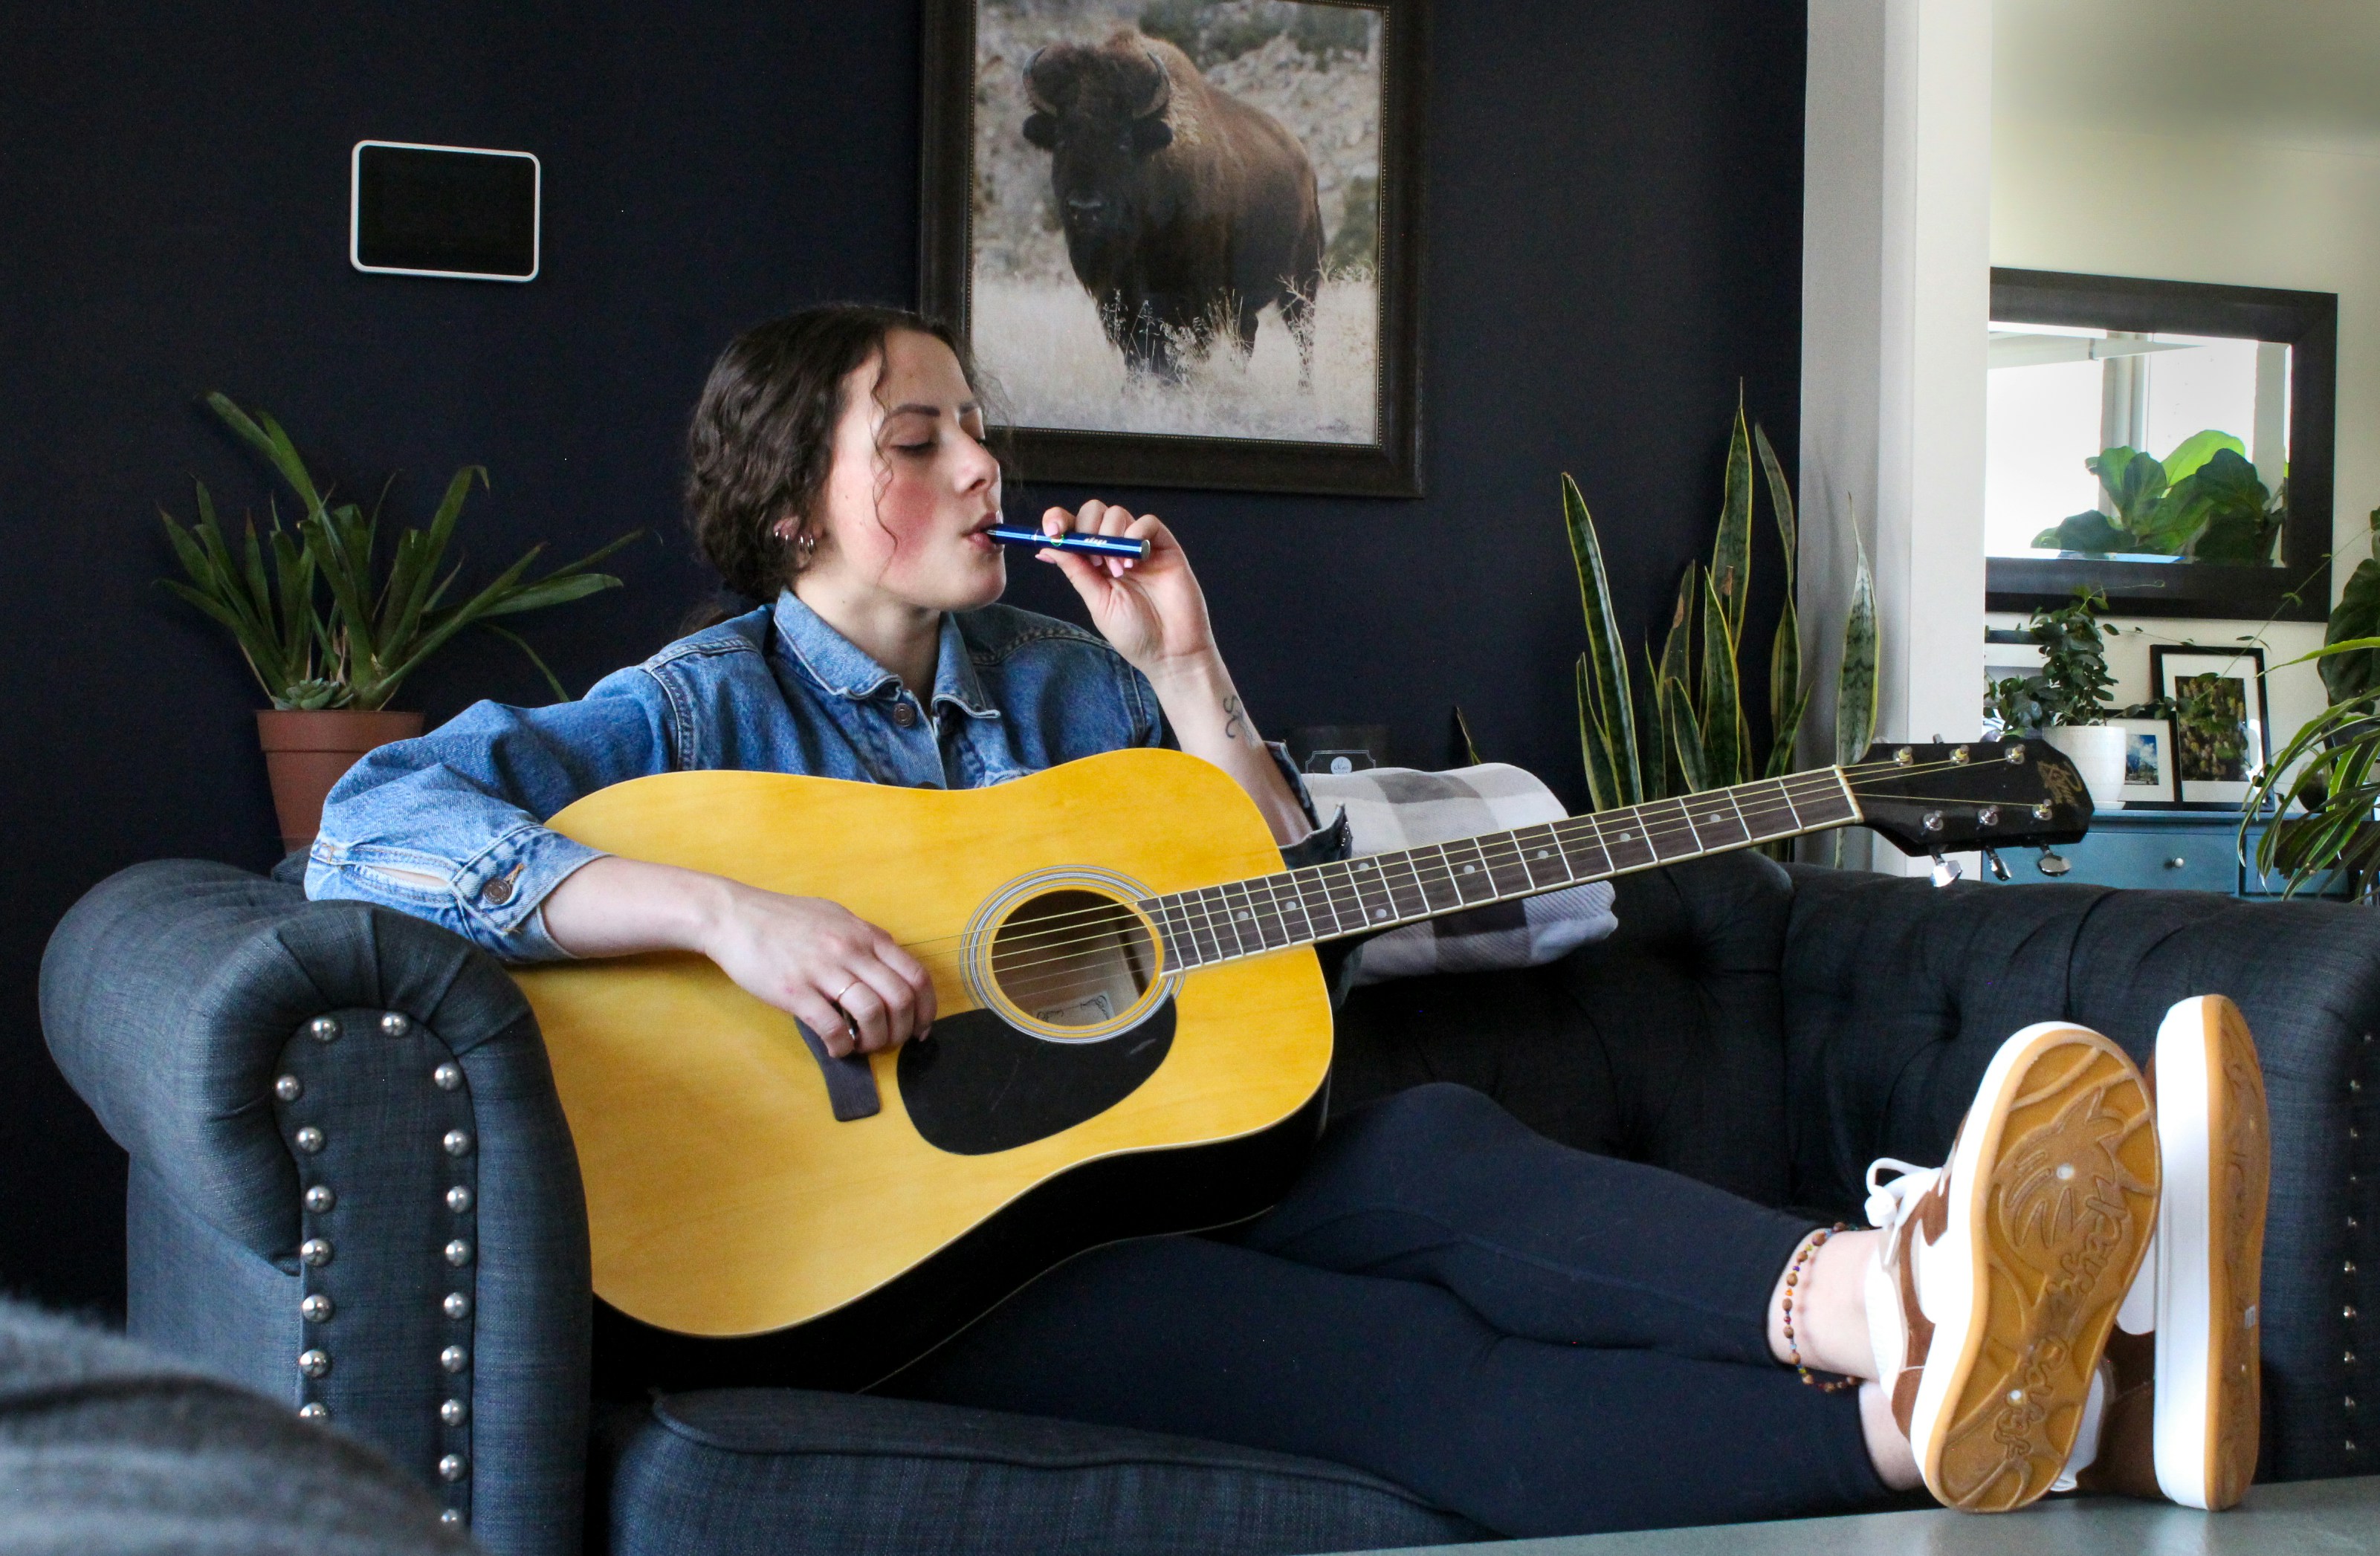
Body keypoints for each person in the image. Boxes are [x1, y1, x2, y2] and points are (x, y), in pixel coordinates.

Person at [309, 304, 2260, 1535]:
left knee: (1431, 1149)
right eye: (915, 439)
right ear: (790, 503)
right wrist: (723, 919)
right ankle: (1936, 1422)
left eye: (974, 424)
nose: (981, 463)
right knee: (1407, 1379)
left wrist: (1186, 671)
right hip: (911, 1279)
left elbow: (1285, 943)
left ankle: (1937, 1329)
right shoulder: (690, 713)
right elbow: (376, 823)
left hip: (1178, 1167)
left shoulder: (1069, 688)